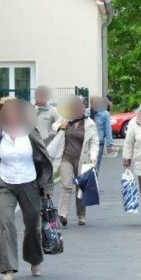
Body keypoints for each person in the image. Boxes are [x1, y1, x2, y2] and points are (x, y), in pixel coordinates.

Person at [0, 97, 53, 280]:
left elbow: (45, 159)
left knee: (32, 225)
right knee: (6, 223)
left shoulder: (30, 133)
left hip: (29, 183)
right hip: (5, 184)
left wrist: (46, 186)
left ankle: (34, 259)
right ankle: (8, 268)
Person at [51, 96, 98, 226]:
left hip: (83, 159)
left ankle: (81, 215)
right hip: (66, 157)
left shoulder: (90, 123)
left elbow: (94, 142)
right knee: (66, 185)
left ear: (84, 108)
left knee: (80, 188)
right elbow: (54, 126)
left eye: (81, 107)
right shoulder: (66, 118)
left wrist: (93, 157)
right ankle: (63, 214)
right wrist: (61, 125)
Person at [90, 96, 114, 171]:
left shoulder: (105, 114)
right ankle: (87, 181)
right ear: (91, 104)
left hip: (99, 143)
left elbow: (108, 130)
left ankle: (94, 181)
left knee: (95, 165)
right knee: (87, 165)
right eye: (95, 103)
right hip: (87, 143)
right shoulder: (86, 113)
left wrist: (109, 144)